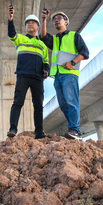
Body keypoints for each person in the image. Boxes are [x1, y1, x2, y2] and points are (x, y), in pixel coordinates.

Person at [40, 9, 89, 140]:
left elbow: (85, 52)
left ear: (66, 22)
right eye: (54, 19)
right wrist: (44, 20)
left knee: (71, 101)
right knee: (63, 104)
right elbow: (43, 37)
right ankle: (73, 129)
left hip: (69, 74)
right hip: (57, 76)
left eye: (59, 18)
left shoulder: (75, 36)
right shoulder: (55, 39)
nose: (56, 20)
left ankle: (75, 130)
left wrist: (72, 62)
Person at [7, 3, 50, 139]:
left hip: (37, 78)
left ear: (37, 27)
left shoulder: (42, 45)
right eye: (28, 23)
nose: (30, 25)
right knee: (18, 102)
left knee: (38, 106)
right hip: (23, 75)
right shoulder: (20, 38)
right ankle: (13, 128)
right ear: (26, 27)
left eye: (33, 23)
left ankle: (39, 133)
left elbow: (46, 62)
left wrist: (46, 71)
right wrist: (10, 19)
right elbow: (11, 33)